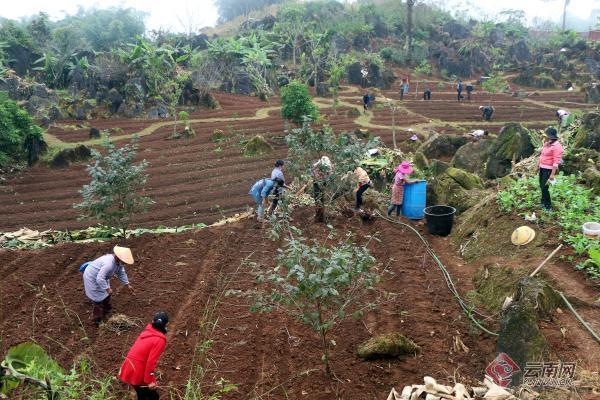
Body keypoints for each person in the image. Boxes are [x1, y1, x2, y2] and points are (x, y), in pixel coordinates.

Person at [118, 312, 169, 400]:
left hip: (129, 366)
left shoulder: (146, 332)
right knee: (153, 397)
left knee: (142, 394)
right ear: (166, 325)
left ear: (152, 321)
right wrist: (150, 381)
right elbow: (151, 362)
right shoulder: (159, 340)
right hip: (137, 371)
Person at [82, 246, 135, 326]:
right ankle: (97, 320)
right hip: (92, 277)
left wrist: (127, 284)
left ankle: (107, 309)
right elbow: (99, 279)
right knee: (98, 299)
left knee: (107, 294)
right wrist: (107, 288)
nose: (124, 263)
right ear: (118, 257)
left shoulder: (119, 263)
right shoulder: (109, 264)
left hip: (101, 276)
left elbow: (121, 273)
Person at [539, 127, 564, 211]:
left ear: (551, 137)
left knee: (544, 187)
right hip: (542, 168)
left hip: (548, 170)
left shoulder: (557, 146)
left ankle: (548, 206)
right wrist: (538, 166)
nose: (545, 138)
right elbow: (542, 155)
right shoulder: (547, 143)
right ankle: (543, 201)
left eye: (547, 137)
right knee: (541, 186)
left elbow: (556, 162)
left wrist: (552, 174)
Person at [312, 156, 333, 222]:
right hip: (317, 183)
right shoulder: (317, 165)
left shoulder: (328, 166)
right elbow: (314, 173)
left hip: (323, 182)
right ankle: (318, 215)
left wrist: (326, 178)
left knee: (322, 198)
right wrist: (319, 178)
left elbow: (330, 175)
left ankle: (322, 215)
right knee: (318, 198)